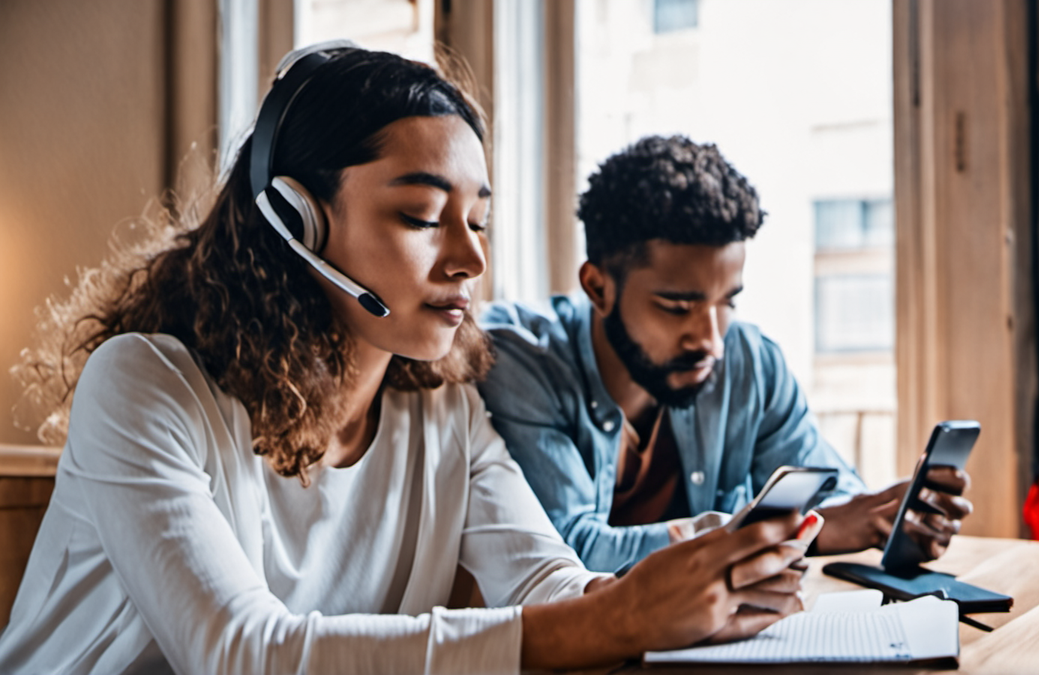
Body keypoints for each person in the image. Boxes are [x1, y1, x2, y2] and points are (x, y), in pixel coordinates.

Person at [0, 47, 814, 674]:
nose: (468, 259)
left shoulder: (444, 414)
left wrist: (700, 579)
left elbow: (552, 588)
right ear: (298, 222)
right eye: (423, 214)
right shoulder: (143, 385)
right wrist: (615, 616)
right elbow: (241, 651)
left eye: (480, 222)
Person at [478, 135, 973, 573]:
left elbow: (830, 497)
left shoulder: (750, 362)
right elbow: (565, 552)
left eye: (727, 301)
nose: (711, 339)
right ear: (598, 287)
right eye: (677, 306)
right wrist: (791, 530)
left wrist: (888, 518)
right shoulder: (519, 362)